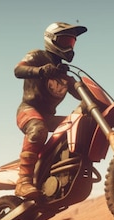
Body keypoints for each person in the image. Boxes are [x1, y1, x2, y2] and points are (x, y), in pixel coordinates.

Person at [13, 22, 87, 198]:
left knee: (80, 124)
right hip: (28, 111)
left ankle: (64, 169)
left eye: (71, 42)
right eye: (65, 41)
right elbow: (18, 70)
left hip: (49, 117)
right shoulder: (37, 56)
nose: (69, 47)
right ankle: (23, 181)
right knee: (38, 129)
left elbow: (80, 93)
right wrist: (40, 70)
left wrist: (89, 95)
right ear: (51, 40)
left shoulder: (64, 75)